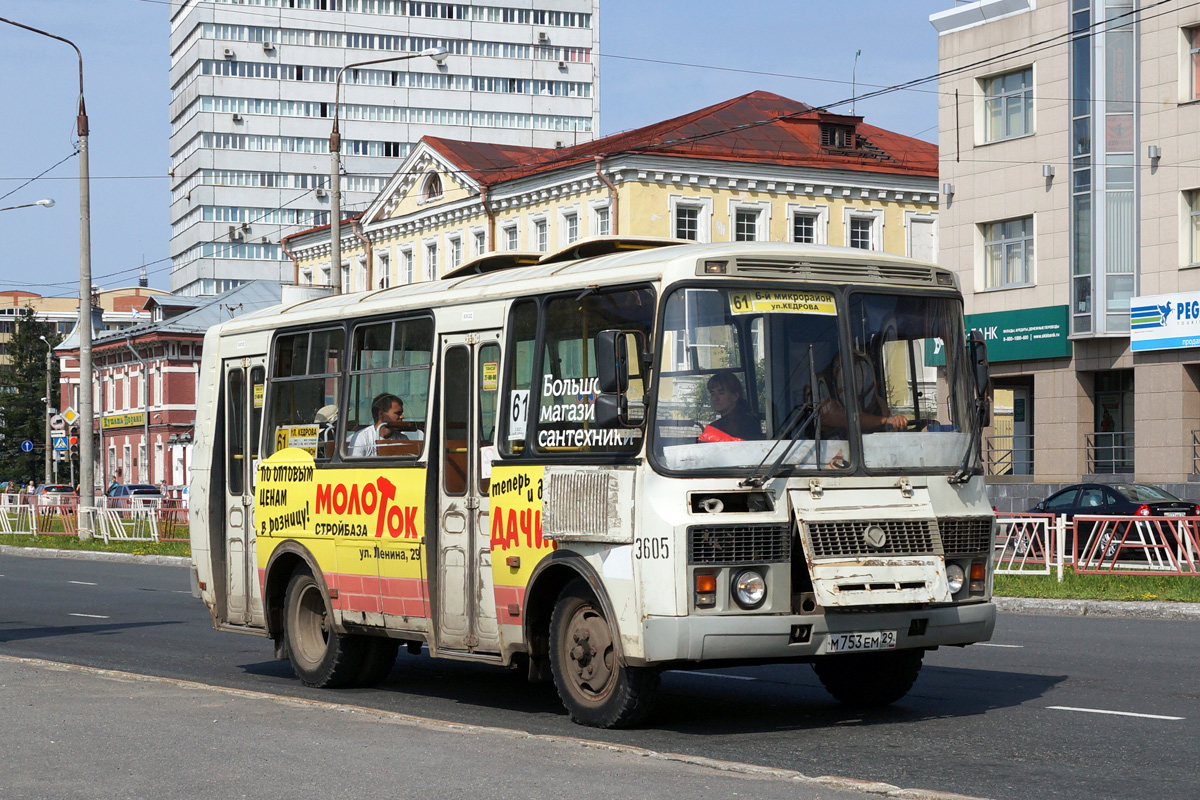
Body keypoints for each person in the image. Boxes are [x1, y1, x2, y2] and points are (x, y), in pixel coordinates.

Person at [818, 352, 908, 434]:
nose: (859, 372)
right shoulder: (824, 398)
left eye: (863, 366)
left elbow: (890, 430)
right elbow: (845, 418)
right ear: (836, 372)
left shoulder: (878, 403)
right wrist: (884, 421)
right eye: (852, 367)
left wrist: (897, 423)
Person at [698, 370, 762, 442]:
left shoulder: (717, 429)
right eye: (712, 393)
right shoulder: (750, 419)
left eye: (721, 393)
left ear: (735, 396)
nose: (715, 398)